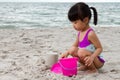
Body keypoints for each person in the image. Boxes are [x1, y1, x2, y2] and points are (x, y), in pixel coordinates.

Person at [61, 2, 105, 73]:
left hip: (97, 60)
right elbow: (74, 46)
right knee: (72, 50)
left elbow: (99, 48)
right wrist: (67, 52)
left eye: (75, 22)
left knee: (81, 52)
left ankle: (93, 69)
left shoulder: (90, 34)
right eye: (72, 23)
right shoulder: (80, 33)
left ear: (85, 20)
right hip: (88, 58)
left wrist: (92, 57)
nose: (73, 25)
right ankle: (87, 66)